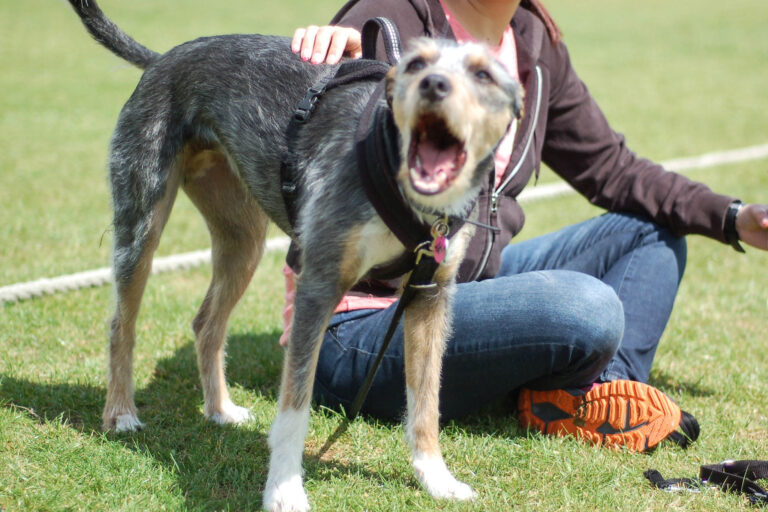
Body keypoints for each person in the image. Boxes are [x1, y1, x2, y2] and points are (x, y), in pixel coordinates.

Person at [282, 0, 768, 451]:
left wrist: (731, 217)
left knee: (649, 233)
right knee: (588, 306)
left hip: (467, 281)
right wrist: (325, 58)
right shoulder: (392, 14)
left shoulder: (533, 42)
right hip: (363, 325)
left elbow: (612, 169)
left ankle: (586, 398)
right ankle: (573, 390)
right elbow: (310, 120)